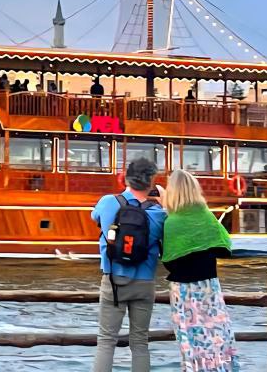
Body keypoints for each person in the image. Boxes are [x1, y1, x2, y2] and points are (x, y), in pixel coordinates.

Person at [91, 158, 166, 372]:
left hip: (114, 281)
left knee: (106, 341)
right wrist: (165, 202)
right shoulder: (159, 214)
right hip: (144, 282)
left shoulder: (108, 202)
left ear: (126, 177)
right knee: (140, 343)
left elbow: (94, 216)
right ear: (151, 181)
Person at [161, 170, 238, 372]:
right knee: (217, 336)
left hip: (183, 292)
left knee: (191, 341)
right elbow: (224, 247)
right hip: (209, 287)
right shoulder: (206, 216)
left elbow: (169, 261)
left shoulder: (171, 223)